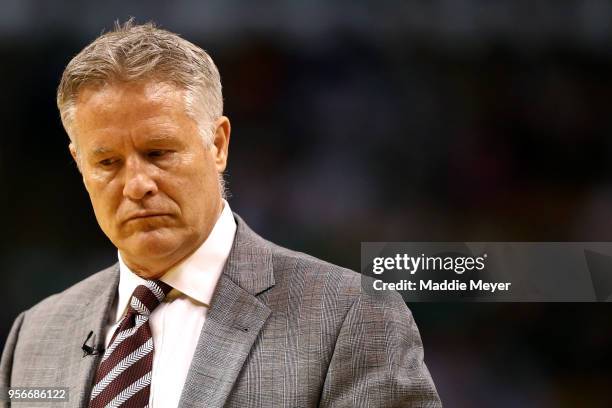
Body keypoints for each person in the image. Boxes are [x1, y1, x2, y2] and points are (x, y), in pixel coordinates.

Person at [0, 21, 441, 408]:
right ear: (79, 164)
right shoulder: (36, 335)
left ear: (218, 145)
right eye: (107, 163)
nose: (137, 184)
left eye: (158, 152)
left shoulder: (351, 317)